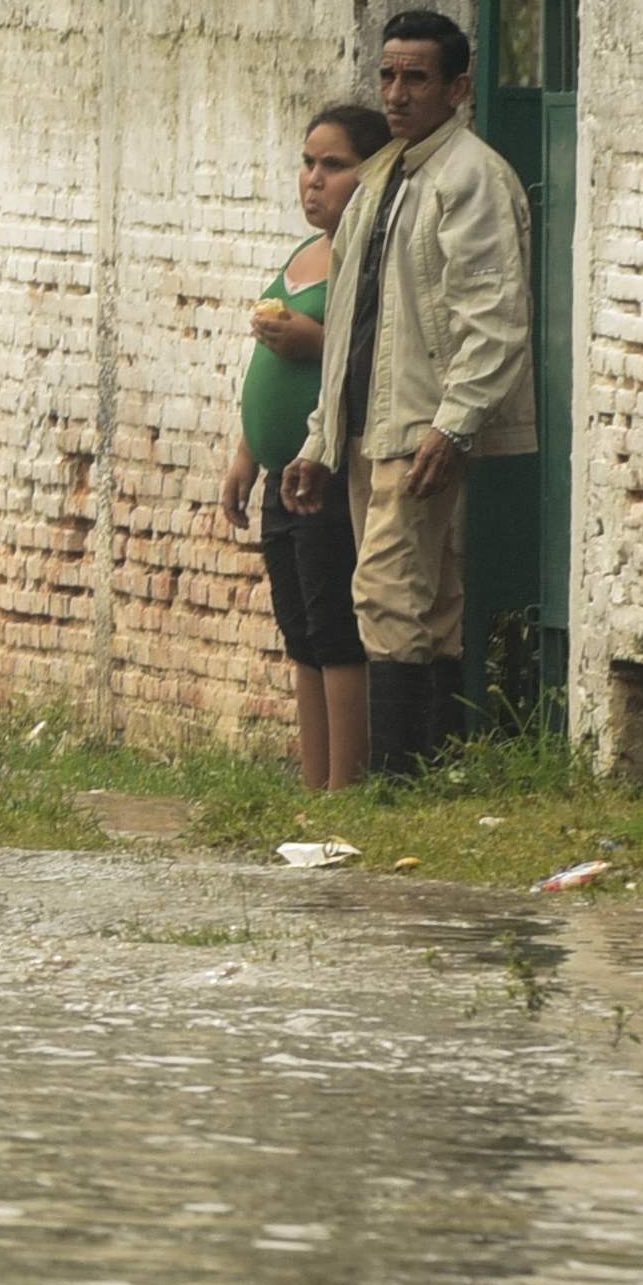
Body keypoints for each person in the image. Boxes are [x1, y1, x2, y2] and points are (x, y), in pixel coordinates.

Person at [284, 11, 536, 776]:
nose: (396, 93)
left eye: (416, 77)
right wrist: (321, 437)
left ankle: (397, 781)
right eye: (388, 76)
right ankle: (429, 772)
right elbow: (355, 320)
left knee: (390, 595)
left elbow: (492, 317)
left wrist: (454, 427)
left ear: (458, 87)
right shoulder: (384, 176)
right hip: (371, 423)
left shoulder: (471, 177)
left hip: (420, 425)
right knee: (424, 603)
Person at [220, 103, 384, 791]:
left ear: (370, 176)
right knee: (300, 635)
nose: (313, 181)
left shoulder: (368, 261)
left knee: (336, 633)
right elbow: (267, 375)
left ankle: (344, 787)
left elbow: (376, 360)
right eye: (308, 163)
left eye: (335, 166)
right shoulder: (301, 255)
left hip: (326, 472)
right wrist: (244, 455)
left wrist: (313, 344)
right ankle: (313, 783)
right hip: (277, 476)